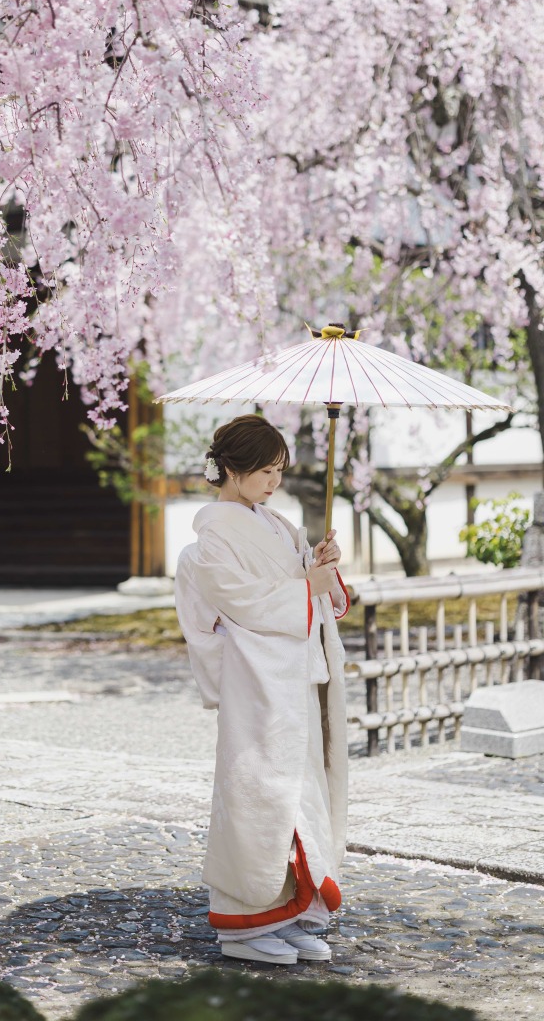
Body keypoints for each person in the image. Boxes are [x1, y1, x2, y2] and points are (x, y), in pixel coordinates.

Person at [174, 414, 349, 966]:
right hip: (256, 682)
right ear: (230, 468)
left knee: (299, 795)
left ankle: (291, 911)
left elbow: (306, 593)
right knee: (257, 795)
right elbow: (242, 603)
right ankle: (244, 924)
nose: (274, 482)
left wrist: (320, 570)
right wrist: (304, 587)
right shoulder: (209, 542)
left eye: (279, 470)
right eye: (265, 470)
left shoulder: (278, 525)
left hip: (290, 677)